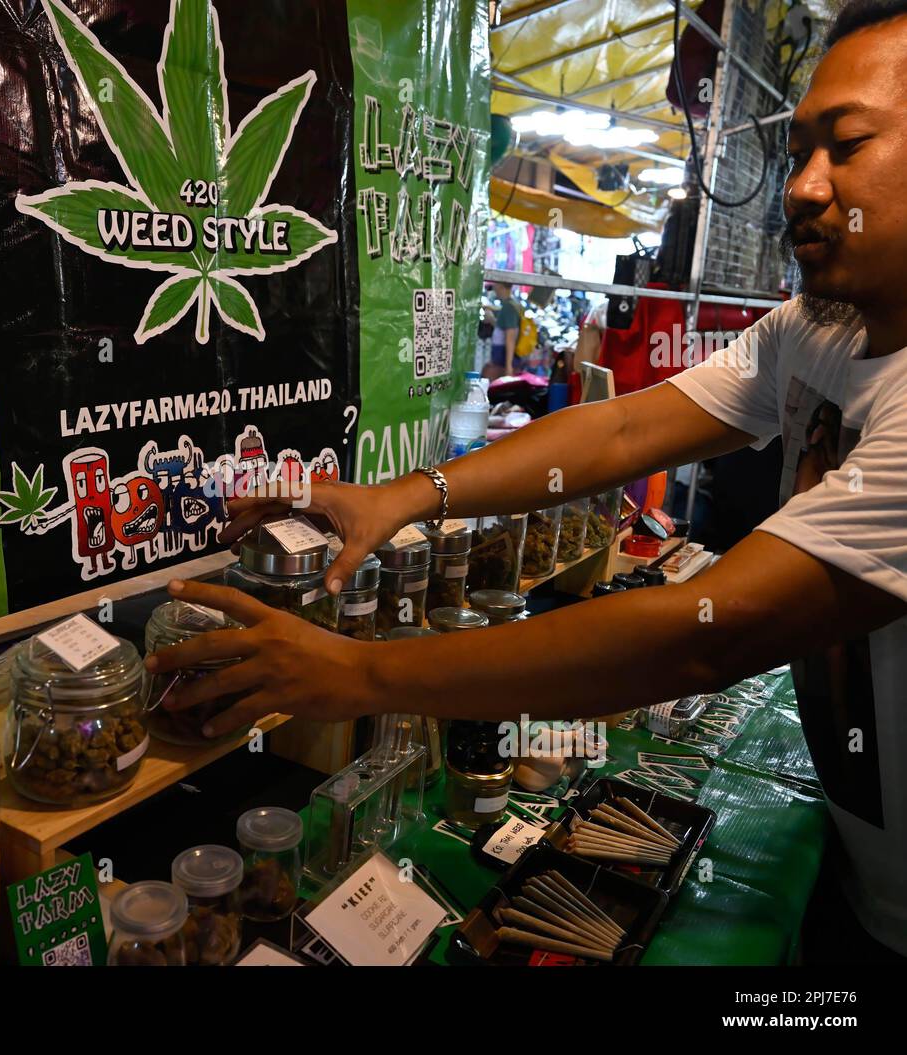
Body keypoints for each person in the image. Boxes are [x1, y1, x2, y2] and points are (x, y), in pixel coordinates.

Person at [147, 1, 907, 960]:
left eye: (845, 145)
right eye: (798, 150)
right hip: (859, 866)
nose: (802, 186)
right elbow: (629, 424)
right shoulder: (822, 330)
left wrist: (362, 671)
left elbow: (711, 633)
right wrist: (406, 495)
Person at [485, 281, 522, 379]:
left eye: (496, 284)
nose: (494, 287)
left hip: (504, 361)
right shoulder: (509, 304)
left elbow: (510, 337)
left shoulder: (509, 307)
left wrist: (508, 367)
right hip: (501, 359)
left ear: (501, 286)